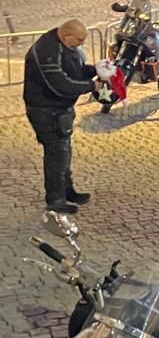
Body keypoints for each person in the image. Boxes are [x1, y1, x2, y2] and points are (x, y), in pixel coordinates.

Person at [22, 18, 96, 214]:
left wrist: (96, 70)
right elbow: (61, 84)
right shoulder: (47, 51)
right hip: (45, 110)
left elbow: (77, 71)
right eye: (78, 41)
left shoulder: (64, 46)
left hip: (59, 109)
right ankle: (55, 199)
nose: (80, 45)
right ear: (66, 36)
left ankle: (67, 190)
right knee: (57, 154)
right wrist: (92, 85)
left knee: (64, 150)